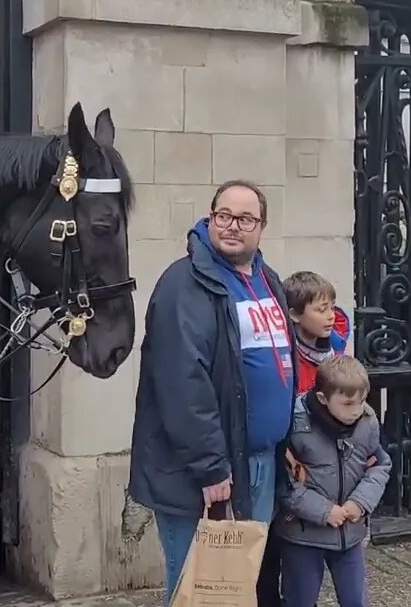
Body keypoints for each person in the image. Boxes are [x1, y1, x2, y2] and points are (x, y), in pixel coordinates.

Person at [128, 180, 299, 605]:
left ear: (262, 226)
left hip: (259, 462)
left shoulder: (266, 278)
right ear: (210, 218)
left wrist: (288, 438)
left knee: (236, 585)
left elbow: (281, 364)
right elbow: (182, 383)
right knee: (196, 587)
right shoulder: (184, 284)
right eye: (223, 216)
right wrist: (210, 468)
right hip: (203, 473)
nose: (233, 227)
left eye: (245, 219)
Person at [274, 355, 391, 607]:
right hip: (303, 535)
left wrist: (360, 502)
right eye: (348, 403)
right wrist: (324, 511)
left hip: (349, 534)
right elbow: (284, 482)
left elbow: (379, 465)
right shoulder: (294, 423)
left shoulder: (367, 421)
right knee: (299, 600)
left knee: (355, 600)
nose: (356, 410)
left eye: (361, 401)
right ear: (322, 399)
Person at [283, 271, 351, 395]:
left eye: (332, 308)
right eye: (322, 310)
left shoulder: (337, 349)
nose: (331, 316)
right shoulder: (286, 359)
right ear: (294, 315)